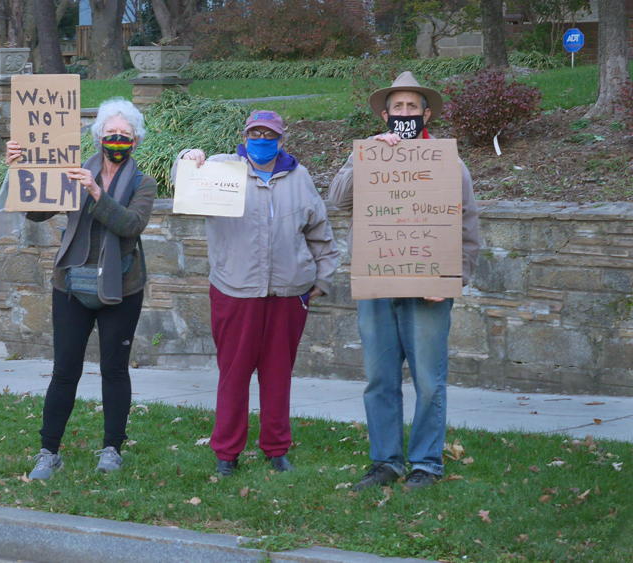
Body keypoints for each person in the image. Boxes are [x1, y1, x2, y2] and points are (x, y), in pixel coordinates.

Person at [328, 71, 480, 491]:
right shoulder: (366, 155)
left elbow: (468, 226)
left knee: (430, 381)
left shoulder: (449, 162)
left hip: (428, 289)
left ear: (426, 113)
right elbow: (337, 200)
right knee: (380, 379)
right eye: (399, 107)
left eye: (414, 107)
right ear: (385, 114)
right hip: (377, 286)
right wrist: (367, 160)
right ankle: (385, 462)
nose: (406, 113)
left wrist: (453, 279)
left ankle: (426, 464)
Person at [176, 109, 338, 476]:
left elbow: (320, 233)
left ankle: (276, 448)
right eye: (255, 133)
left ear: (281, 139)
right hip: (236, 290)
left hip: (288, 292)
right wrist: (186, 157)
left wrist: (321, 280)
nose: (261, 140)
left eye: (269, 134)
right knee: (233, 374)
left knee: (278, 374)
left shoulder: (299, 177)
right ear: (244, 135)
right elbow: (182, 181)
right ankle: (226, 452)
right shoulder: (222, 169)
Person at [5, 98, 157, 480]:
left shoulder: (143, 182)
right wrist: (22, 168)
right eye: (110, 135)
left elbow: (131, 225)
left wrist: (95, 194)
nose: (117, 141)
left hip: (120, 287)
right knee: (64, 370)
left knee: (114, 369)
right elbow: (36, 211)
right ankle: (48, 451)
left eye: (124, 136)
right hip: (71, 283)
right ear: (97, 138)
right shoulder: (71, 171)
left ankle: (112, 449)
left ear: (136, 141)